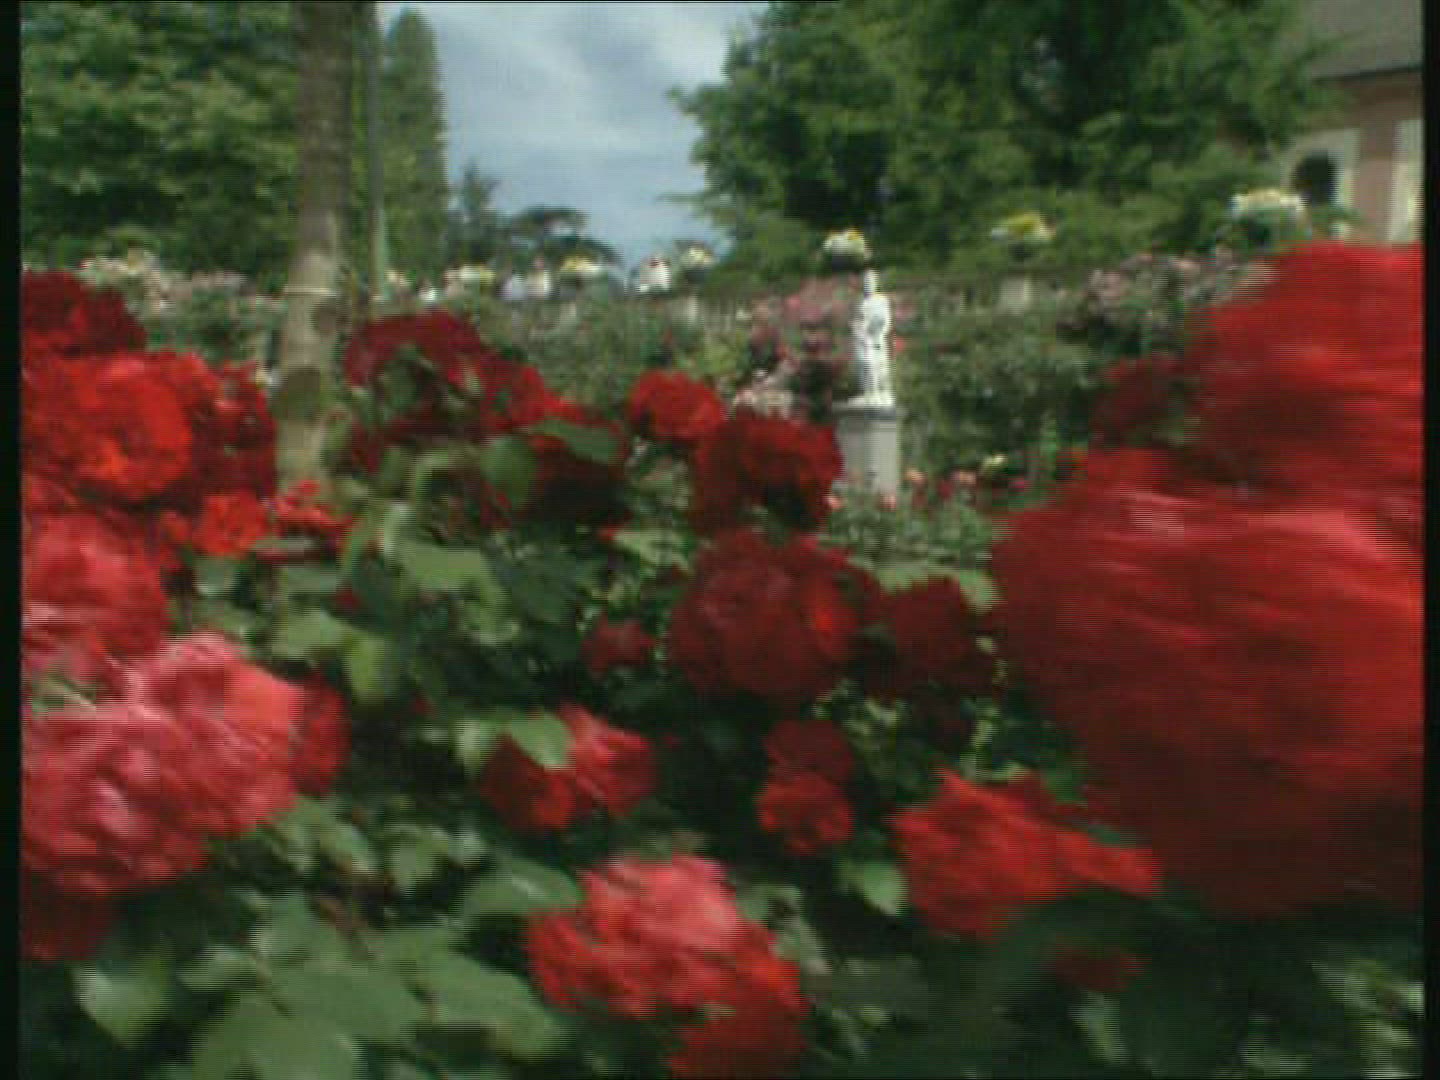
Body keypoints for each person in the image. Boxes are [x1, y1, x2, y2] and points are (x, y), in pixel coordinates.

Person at [850, 268, 894, 406]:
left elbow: (886, 320)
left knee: (874, 365)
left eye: (870, 282)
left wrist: (878, 335)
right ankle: (867, 392)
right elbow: (857, 320)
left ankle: (876, 392)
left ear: (876, 283)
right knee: (862, 365)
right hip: (862, 339)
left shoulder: (881, 300)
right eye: (865, 282)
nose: (868, 285)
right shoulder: (860, 301)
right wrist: (857, 330)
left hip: (876, 338)